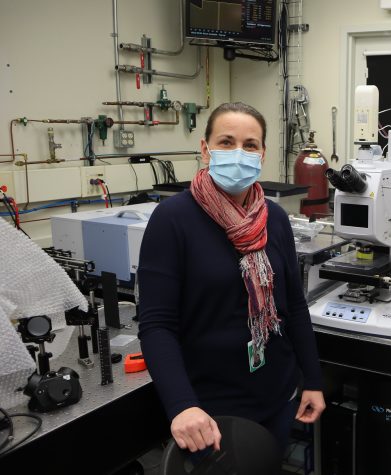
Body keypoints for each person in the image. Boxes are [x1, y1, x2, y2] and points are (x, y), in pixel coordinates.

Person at [137, 102, 325, 455]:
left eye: (250, 145)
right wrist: (181, 405)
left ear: (263, 153)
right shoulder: (172, 219)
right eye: (226, 142)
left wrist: (312, 380)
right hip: (208, 411)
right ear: (205, 149)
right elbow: (156, 324)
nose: (239, 153)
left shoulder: (275, 218)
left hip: (277, 396)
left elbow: (294, 306)